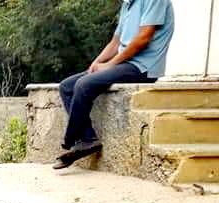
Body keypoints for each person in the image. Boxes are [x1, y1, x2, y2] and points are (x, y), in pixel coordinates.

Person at [54, 0, 174, 169]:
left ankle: (69, 139)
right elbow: (115, 43)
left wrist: (110, 65)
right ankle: (87, 139)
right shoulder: (127, 4)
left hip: (144, 67)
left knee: (83, 85)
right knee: (67, 87)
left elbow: (143, 38)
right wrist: (95, 64)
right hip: (124, 64)